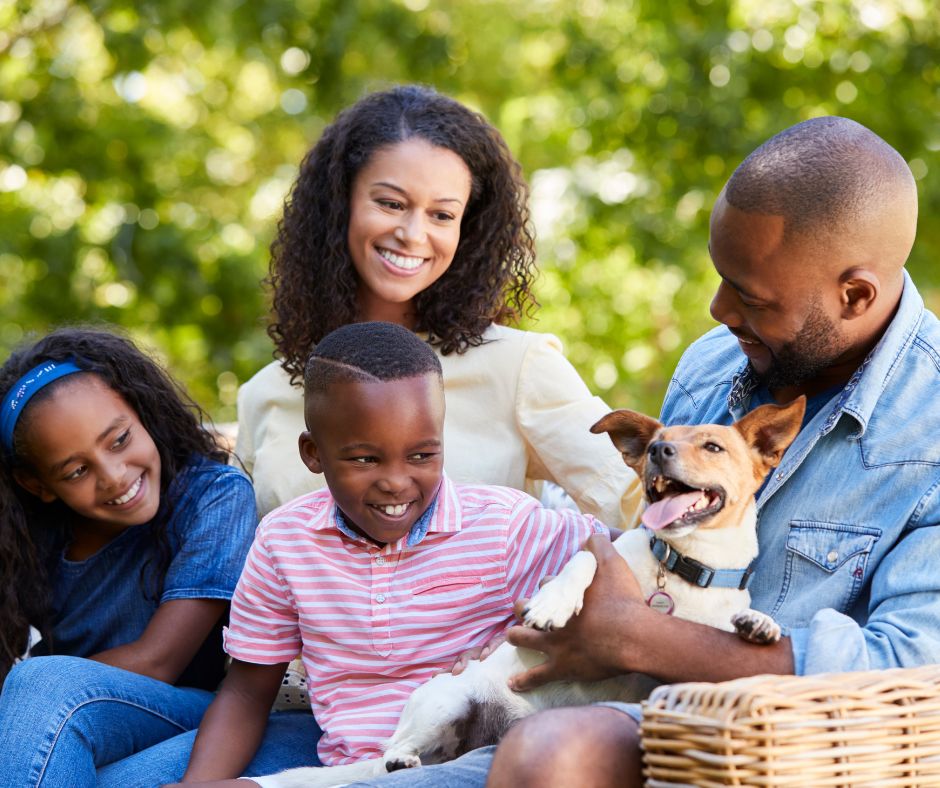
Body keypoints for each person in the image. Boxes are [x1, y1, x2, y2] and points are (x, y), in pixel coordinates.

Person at [338, 116, 940, 788]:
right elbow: (646, 545)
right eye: (721, 279)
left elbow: (912, 666)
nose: (717, 311)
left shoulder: (930, 428)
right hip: (619, 701)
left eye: (749, 296)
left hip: (787, 747)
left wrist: (634, 637)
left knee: (550, 755)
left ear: (854, 294)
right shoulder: (718, 364)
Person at [169, 321, 608, 784]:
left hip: (477, 758)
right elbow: (245, 694)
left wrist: (543, 625)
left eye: (421, 455)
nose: (397, 482)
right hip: (347, 771)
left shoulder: (502, 524)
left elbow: (614, 547)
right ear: (313, 453)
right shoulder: (284, 542)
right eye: (365, 459)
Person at [236, 84, 642, 530]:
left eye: (442, 215)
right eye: (391, 203)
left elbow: (642, 504)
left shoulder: (517, 367)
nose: (412, 233)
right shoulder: (265, 393)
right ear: (340, 205)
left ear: (467, 228)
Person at [0, 327, 260, 787]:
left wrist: (25, 697)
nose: (115, 477)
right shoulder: (28, 540)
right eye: (77, 471)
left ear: (141, 411)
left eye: (118, 440)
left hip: (187, 713)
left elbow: (161, 661)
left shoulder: (212, 497)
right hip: (70, 727)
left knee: (39, 686)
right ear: (37, 485)